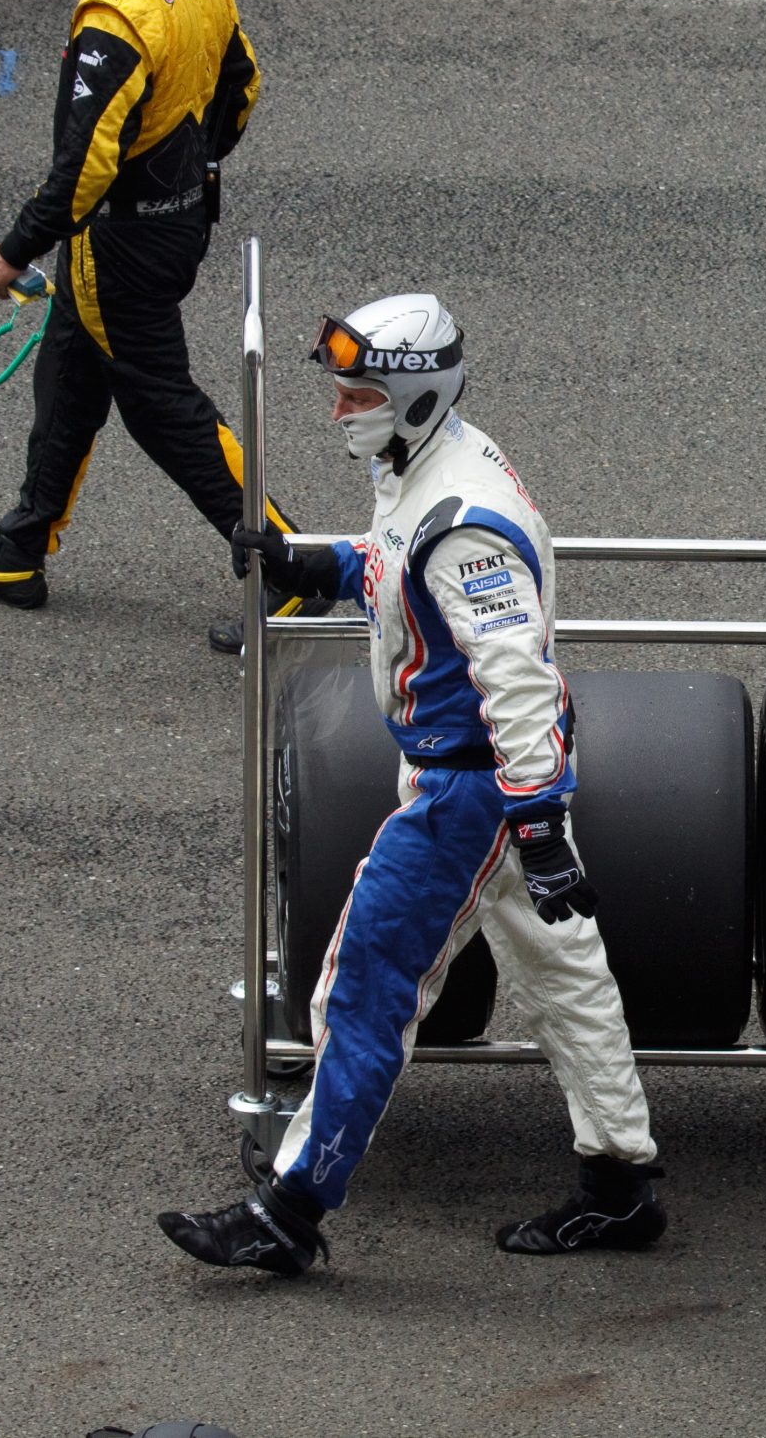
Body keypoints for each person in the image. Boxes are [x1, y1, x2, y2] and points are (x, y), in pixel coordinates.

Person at [158, 293, 666, 1275]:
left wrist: (538, 822)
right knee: (567, 980)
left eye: (357, 394)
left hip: (469, 790)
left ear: (413, 395)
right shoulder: (429, 468)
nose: (340, 412)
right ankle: (619, 1184)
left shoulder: (463, 521)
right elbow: (396, 568)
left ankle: (292, 1209)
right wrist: (317, 564)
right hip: (488, 780)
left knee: (364, 984)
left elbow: (511, 671)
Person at [0, 0, 304, 647]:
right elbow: (242, 87)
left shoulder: (115, 14)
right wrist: (192, 167)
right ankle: (23, 548)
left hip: (118, 245)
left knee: (163, 409)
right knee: (69, 370)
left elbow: (83, 170)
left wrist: (11, 251)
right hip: (177, 222)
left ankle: (291, 569)